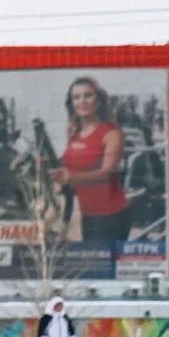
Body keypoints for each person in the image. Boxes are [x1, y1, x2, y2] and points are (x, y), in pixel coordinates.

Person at [48, 76, 130, 245]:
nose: (82, 101)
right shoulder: (73, 132)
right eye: (76, 97)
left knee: (101, 268)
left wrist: (71, 178)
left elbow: (106, 174)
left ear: (98, 100)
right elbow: (69, 162)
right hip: (88, 214)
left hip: (111, 215)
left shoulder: (112, 133)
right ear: (71, 103)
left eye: (88, 95)